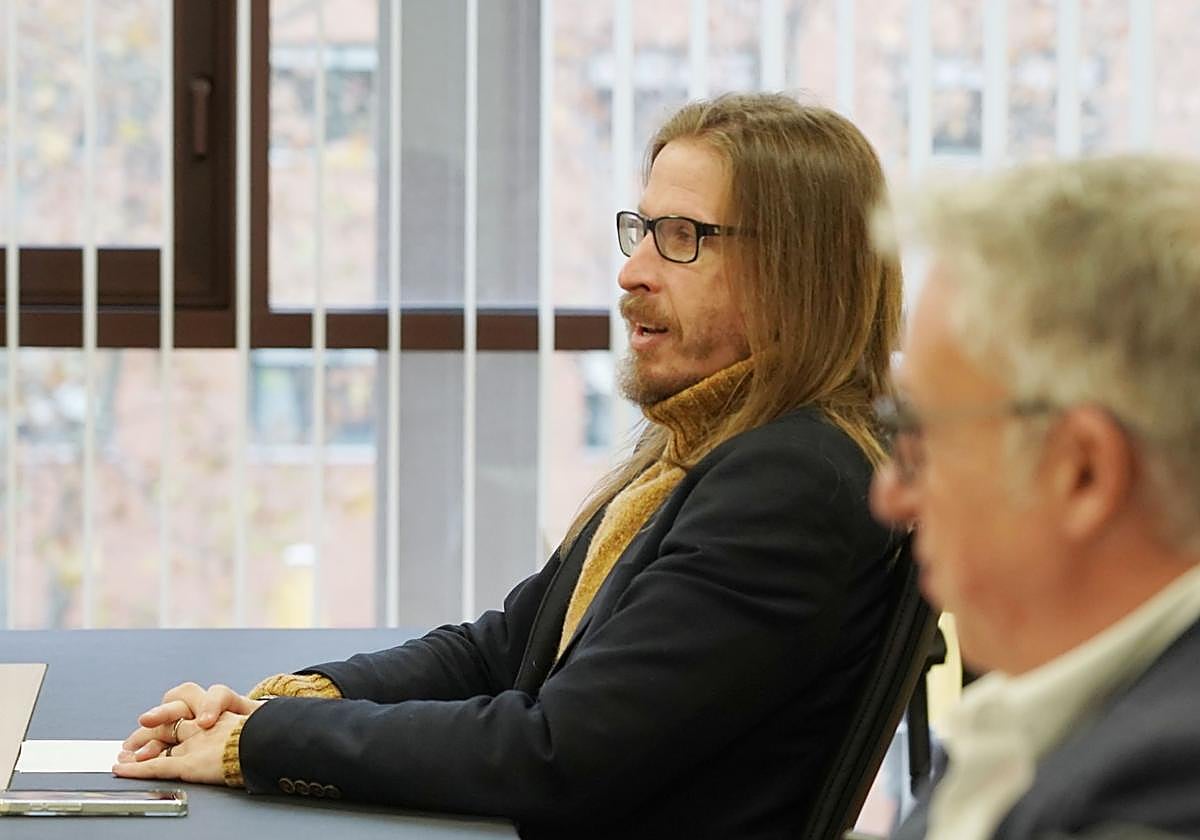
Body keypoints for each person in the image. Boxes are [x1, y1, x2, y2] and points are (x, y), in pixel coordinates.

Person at [115, 93, 903, 839]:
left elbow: (555, 753)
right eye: (642, 229)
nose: (633, 271)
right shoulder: (699, 445)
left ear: (798, 272)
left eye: (682, 236)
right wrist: (285, 704)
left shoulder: (792, 482)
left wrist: (261, 743)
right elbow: (502, 650)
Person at [871, 156, 1200, 840]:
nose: (890, 496)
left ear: (1082, 472)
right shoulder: (1056, 710)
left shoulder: (1159, 799)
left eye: (920, 437)